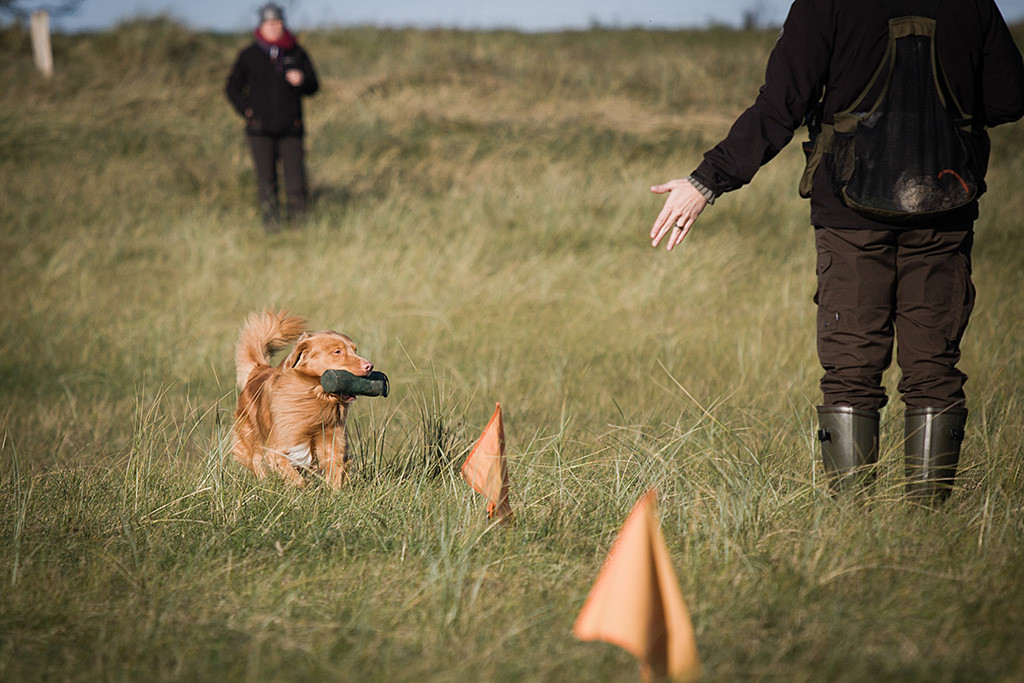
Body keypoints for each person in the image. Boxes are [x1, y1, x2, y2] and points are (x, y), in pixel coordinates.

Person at [649, 0, 1024, 502]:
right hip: (944, 208)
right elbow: (1008, 99)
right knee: (935, 370)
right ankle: (930, 518)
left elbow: (780, 106)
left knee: (851, 371)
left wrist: (706, 182)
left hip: (850, 218)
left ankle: (851, 518)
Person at [226, 3, 320, 232]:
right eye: (269, 24)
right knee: (267, 182)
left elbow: (314, 86)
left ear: (283, 24)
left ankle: (299, 227)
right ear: (261, 26)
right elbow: (232, 88)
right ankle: (272, 228)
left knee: (296, 181)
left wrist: (302, 80)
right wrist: (247, 111)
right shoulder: (249, 55)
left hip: (291, 129)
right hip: (259, 130)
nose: (274, 27)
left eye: (277, 23)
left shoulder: (296, 52)